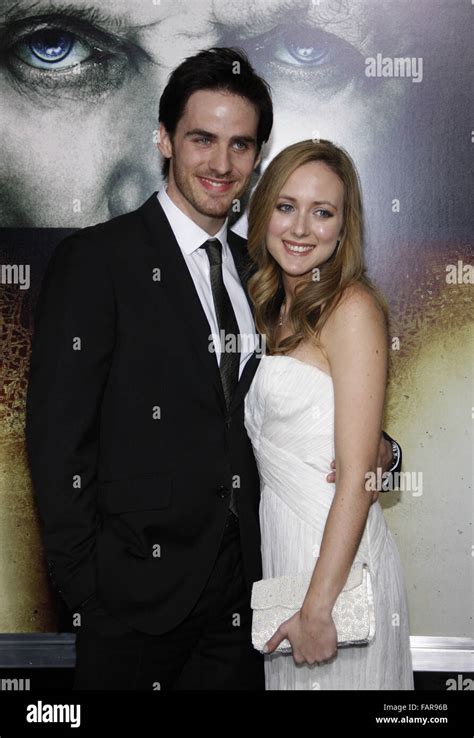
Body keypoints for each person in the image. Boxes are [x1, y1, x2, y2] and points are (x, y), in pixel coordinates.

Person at [25, 48, 401, 690]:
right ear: (165, 139)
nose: (221, 164)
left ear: (257, 156)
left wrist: (377, 451)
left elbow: (290, 408)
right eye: (202, 139)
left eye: (241, 144)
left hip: (251, 596)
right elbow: (57, 443)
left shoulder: (263, 272)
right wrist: (89, 588)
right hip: (133, 603)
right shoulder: (97, 261)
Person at [244, 139, 414, 690]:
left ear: (343, 229)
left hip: (336, 567)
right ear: (263, 209)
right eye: (286, 206)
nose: (300, 228)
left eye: (323, 212)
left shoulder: (353, 308)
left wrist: (319, 607)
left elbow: (359, 477)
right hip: (283, 553)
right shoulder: (267, 306)